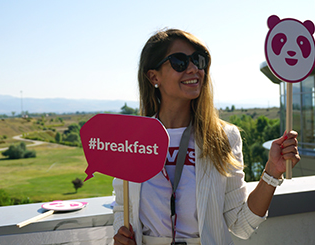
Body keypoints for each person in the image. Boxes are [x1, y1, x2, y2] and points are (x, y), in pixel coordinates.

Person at [112, 28, 300, 245]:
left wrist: (272, 173)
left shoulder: (224, 137)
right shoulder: (129, 140)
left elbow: (241, 224)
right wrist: (121, 236)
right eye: (179, 62)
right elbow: (122, 209)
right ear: (154, 76)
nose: (193, 69)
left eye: (198, 61)